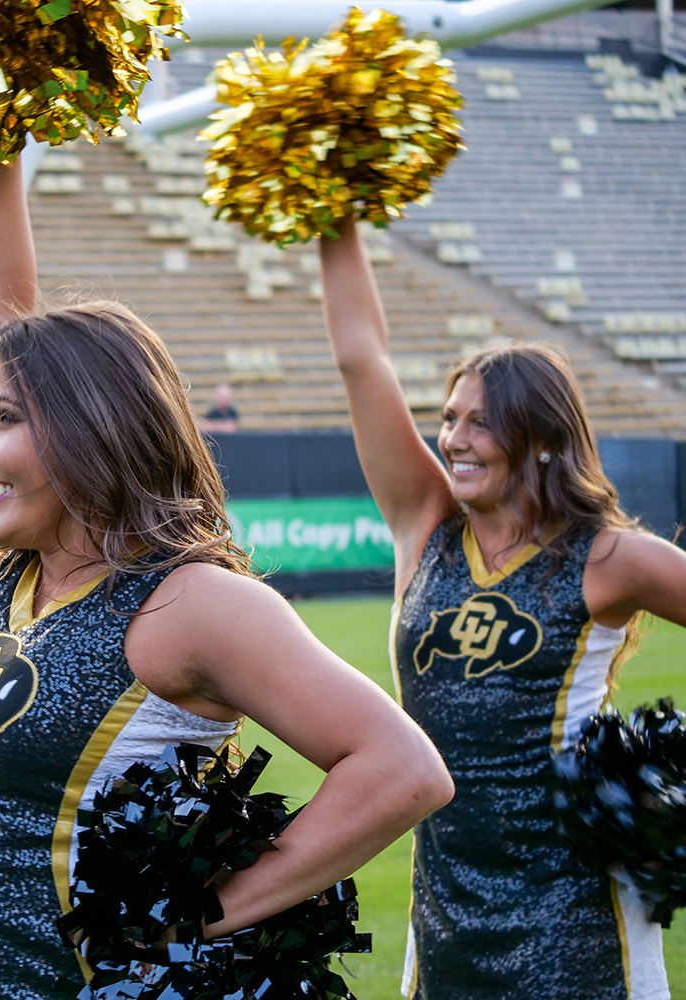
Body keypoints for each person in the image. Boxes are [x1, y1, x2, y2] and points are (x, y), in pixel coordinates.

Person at [0, 162, 455, 999]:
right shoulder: (16, 572)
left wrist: (200, 914)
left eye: (1, 417)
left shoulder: (187, 602)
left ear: (93, 425)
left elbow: (403, 770)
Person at [320, 214, 686, 1000]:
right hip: (445, 908)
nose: (454, 438)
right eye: (449, 417)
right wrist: (333, 207)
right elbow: (360, 360)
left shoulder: (607, 556)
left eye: (480, 421)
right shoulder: (424, 523)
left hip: (577, 913)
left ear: (542, 438)